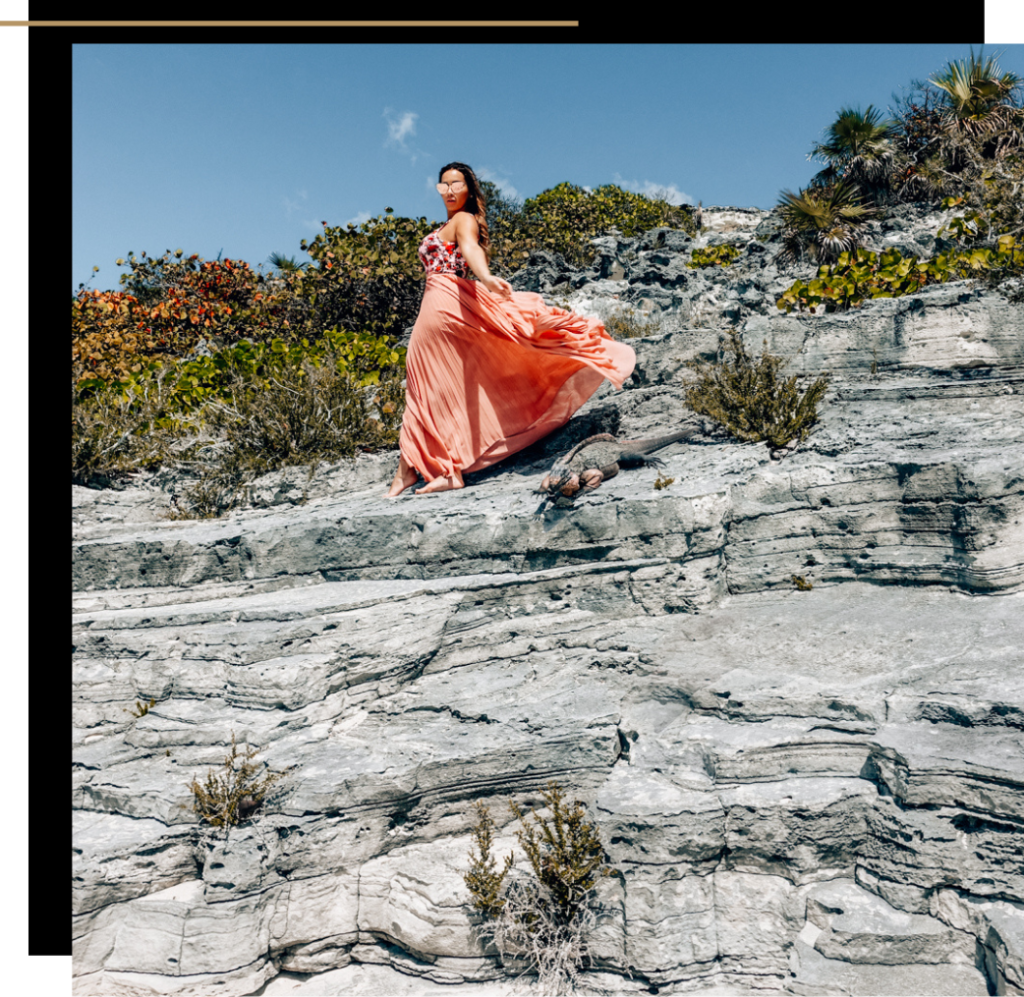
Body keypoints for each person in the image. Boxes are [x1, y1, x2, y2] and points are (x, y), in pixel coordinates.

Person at [387, 162, 636, 497]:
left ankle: (437, 471)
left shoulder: (464, 220)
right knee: (428, 386)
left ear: (468, 190)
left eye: (455, 184)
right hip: (438, 303)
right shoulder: (450, 222)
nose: (448, 190)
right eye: (442, 185)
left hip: (445, 302)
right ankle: (414, 470)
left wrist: (487, 277)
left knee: (423, 386)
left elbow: (471, 249)